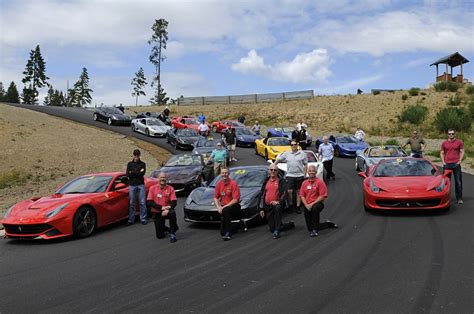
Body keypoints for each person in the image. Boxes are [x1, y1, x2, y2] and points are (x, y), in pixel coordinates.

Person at [258, 164, 295, 239]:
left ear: (277, 171)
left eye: (275, 170)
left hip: (277, 204)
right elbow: (261, 195)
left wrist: (279, 201)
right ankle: (288, 225)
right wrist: (261, 208)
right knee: (272, 228)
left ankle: (277, 231)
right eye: (271, 170)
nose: (273, 171)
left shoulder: (281, 181)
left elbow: (285, 193)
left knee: (278, 209)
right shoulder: (266, 181)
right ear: (269, 171)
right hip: (268, 206)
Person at [300, 165, 338, 237]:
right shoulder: (304, 183)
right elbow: (302, 195)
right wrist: (306, 205)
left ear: (316, 172)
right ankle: (328, 224)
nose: (311, 172)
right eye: (310, 171)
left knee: (315, 209)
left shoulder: (320, 182)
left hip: (318, 204)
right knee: (310, 228)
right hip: (307, 205)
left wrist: (312, 204)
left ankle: (315, 231)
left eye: (313, 171)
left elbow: (323, 195)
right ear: (307, 172)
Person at [274, 140, 308, 214]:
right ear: (290, 146)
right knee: (289, 191)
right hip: (290, 175)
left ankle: (298, 206)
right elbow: (278, 159)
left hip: (300, 175)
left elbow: (305, 164)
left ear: (297, 145)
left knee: (298, 192)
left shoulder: (302, 154)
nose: (293, 146)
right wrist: (273, 165)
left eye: (295, 144)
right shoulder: (287, 153)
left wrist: (305, 174)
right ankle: (291, 205)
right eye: (292, 145)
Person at [147, 172, 179, 242]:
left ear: (166, 179)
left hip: (167, 210)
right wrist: (161, 208)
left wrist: (168, 208)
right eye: (161, 177)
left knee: (172, 213)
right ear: (158, 179)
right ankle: (167, 229)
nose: (162, 179)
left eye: (164, 177)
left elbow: (174, 202)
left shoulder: (170, 188)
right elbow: (149, 202)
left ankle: (173, 233)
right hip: (157, 211)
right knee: (160, 236)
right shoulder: (152, 188)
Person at [213, 168, 241, 241]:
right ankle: (239, 225)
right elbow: (215, 198)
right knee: (222, 232)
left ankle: (229, 233)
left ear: (229, 174)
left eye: (226, 173)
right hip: (224, 208)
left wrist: (224, 207)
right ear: (220, 174)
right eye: (223, 173)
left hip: (234, 206)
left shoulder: (233, 183)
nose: (224, 174)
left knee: (226, 210)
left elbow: (235, 199)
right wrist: (218, 207)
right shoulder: (219, 184)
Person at [440, 128, 464, 204]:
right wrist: (443, 162)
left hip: (456, 164)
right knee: (446, 182)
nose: (451, 135)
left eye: (452, 134)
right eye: (449, 134)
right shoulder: (444, 143)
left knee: (458, 182)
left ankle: (459, 198)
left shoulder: (459, 142)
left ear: (455, 134)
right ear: (447, 134)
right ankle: (446, 198)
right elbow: (442, 152)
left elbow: (462, 151)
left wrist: (460, 160)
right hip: (447, 164)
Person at [126, 149, 147, 225]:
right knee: (132, 202)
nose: (136, 157)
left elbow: (142, 174)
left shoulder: (143, 164)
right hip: (132, 185)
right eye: (135, 156)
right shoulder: (129, 164)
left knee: (142, 202)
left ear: (139, 156)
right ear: (133, 155)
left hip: (140, 184)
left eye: (137, 156)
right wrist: (137, 172)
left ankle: (143, 218)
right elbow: (128, 174)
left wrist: (133, 172)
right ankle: (131, 219)